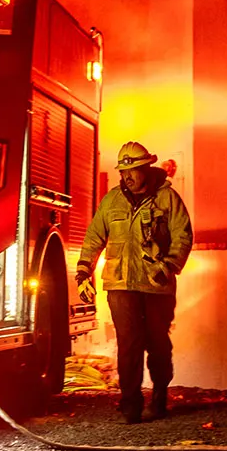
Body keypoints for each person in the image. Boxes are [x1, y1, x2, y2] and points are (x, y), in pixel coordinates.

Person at [79, 142, 193, 423]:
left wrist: (168, 266)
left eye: (133, 170)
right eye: (123, 170)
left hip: (157, 286)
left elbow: (183, 236)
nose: (127, 176)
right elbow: (95, 237)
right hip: (120, 285)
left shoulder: (168, 199)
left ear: (146, 169)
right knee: (128, 344)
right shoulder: (111, 201)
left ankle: (159, 396)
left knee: (157, 343)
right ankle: (130, 402)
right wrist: (83, 272)